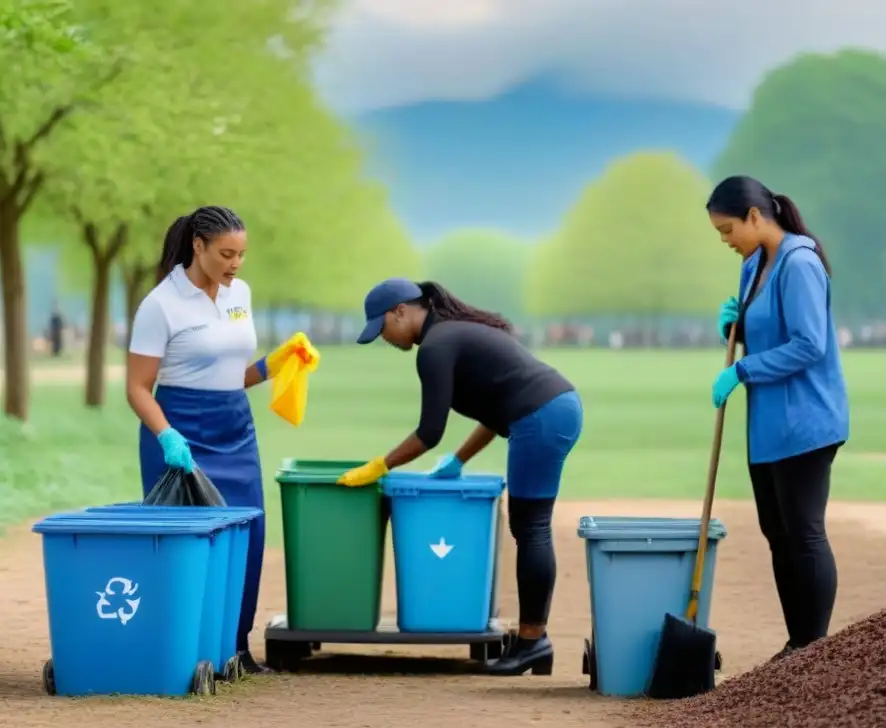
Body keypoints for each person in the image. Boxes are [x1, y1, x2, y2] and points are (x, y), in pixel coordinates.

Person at [338, 278, 584, 676]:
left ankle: (533, 642)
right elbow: (496, 408)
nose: (383, 337)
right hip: (553, 410)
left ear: (401, 311)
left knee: (532, 527)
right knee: (530, 526)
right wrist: (458, 459)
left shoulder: (436, 347)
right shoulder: (452, 335)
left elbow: (428, 432)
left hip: (541, 418)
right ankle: (532, 641)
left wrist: (379, 465)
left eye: (382, 327)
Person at [125, 205, 307, 676]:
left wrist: (273, 364)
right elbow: (137, 387)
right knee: (188, 543)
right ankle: (185, 649)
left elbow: (228, 372)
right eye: (226, 253)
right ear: (197, 246)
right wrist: (167, 436)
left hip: (234, 428)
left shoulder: (239, 294)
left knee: (248, 537)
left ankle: (236, 648)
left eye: (242, 255)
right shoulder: (160, 305)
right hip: (180, 429)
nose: (235, 264)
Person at [707, 175, 849, 660]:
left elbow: (810, 344)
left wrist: (742, 369)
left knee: (804, 532)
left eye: (728, 230)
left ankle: (814, 649)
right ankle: (797, 646)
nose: (726, 241)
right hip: (767, 426)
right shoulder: (754, 266)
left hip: (806, 422)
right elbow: (768, 330)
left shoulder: (800, 263)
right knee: (778, 534)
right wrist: (737, 326)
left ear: (754, 216)